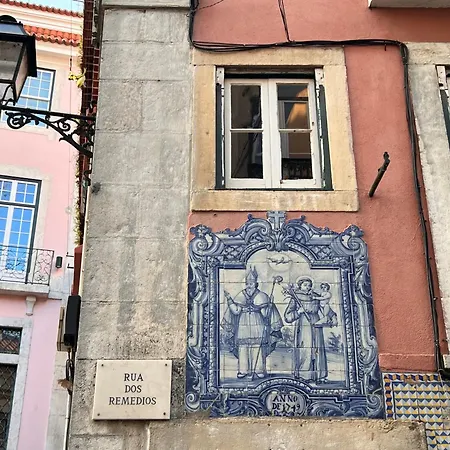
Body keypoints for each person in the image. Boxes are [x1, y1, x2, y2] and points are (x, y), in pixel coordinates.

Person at [221, 267, 283, 379]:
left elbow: (265, 314)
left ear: (256, 284)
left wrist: (270, 305)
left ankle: (259, 370)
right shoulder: (241, 295)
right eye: (247, 283)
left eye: (251, 283)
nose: (249, 285)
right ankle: (243, 370)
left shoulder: (262, 296)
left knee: (257, 347)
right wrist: (229, 299)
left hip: (257, 323)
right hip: (243, 324)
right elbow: (236, 311)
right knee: (243, 348)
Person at [283, 277, 337, 383]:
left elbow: (324, 307)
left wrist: (333, 316)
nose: (307, 287)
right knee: (305, 349)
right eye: (305, 285)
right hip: (303, 325)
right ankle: (304, 375)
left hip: (316, 323)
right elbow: (288, 317)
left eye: (309, 285)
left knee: (318, 349)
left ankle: (319, 375)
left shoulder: (315, 296)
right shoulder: (296, 297)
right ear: (300, 286)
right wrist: (298, 312)